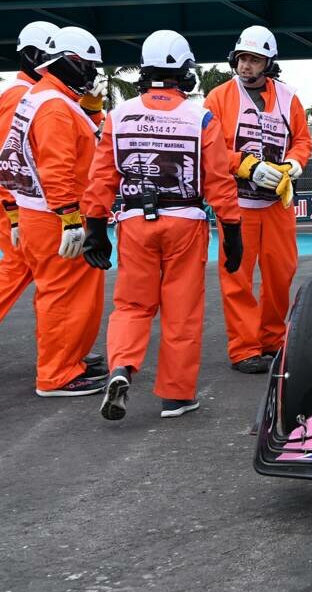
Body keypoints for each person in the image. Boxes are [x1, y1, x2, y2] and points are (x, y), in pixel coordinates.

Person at [82, 30, 244, 420]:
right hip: (184, 222)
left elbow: (101, 177)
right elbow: (220, 181)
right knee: (181, 312)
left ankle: (122, 366)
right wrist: (233, 232)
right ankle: (176, 396)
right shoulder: (200, 117)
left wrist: (94, 227)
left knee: (131, 306)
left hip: (134, 221)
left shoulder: (117, 117)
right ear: (184, 73)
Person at [0, 27, 108, 396]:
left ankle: (67, 358)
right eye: (89, 66)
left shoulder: (43, 97)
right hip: (55, 217)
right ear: (72, 62)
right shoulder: (53, 108)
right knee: (64, 295)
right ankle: (57, 373)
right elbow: (57, 166)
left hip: (40, 214)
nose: (93, 75)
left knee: (62, 293)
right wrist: (70, 219)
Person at [203, 26, 312, 374]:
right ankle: (244, 348)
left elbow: (302, 140)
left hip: (277, 205)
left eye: (254, 59)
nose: (246, 65)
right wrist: (245, 165)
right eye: (242, 58)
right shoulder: (218, 98)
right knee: (237, 277)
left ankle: (272, 340)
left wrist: (295, 162)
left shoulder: (289, 98)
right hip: (238, 205)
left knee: (281, 275)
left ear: (269, 62)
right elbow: (211, 148)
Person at [0, 21, 59, 324]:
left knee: (42, 274)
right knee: (19, 268)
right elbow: (9, 157)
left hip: (19, 199)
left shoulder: (31, 92)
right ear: (34, 55)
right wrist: (12, 212)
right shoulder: (20, 95)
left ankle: (61, 346)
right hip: (15, 201)